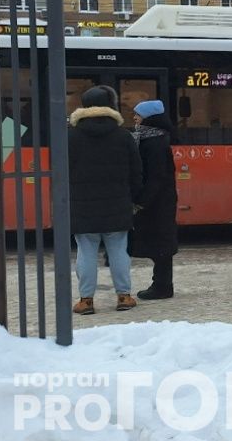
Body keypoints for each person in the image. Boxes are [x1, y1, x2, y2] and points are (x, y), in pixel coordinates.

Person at [69, 85, 143, 314]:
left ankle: (86, 301)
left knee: (86, 251)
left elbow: (60, 171)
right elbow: (136, 170)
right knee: (119, 250)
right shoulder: (123, 135)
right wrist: (135, 198)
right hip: (118, 203)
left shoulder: (70, 136)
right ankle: (124, 296)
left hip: (82, 204)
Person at [130, 100, 180, 300]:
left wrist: (142, 200)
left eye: (138, 114)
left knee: (161, 243)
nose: (134, 118)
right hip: (159, 200)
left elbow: (156, 176)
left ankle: (162, 286)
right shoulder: (154, 138)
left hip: (158, 202)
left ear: (149, 117)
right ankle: (160, 283)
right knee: (160, 242)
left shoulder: (155, 142)